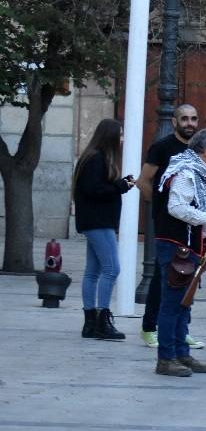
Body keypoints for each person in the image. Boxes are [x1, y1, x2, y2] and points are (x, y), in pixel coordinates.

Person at [136, 103, 206, 349]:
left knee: (183, 290)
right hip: (172, 231)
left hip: (190, 233)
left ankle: (180, 343)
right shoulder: (168, 152)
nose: (189, 123)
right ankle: (159, 339)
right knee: (166, 283)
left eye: (194, 118)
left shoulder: (199, 162)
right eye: (185, 118)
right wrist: (162, 207)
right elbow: (144, 182)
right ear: (174, 122)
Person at [154, 128, 206, 377]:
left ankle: (181, 352)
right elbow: (176, 207)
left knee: (183, 304)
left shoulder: (193, 172)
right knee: (173, 303)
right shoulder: (186, 173)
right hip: (177, 246)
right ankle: (166, 358)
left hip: (188, 246)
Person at [72, 118, 135, 341]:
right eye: (119, 134)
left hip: (94, 222)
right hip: (98, 223)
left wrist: (120, 183)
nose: (122, 139)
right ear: (109, 136)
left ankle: (90, 323)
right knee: (112, 269)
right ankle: (102, 321)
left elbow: (96, 187)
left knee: (93, 272)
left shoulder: (93, 158)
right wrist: (120, 186)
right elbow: (93, 190)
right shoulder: (96, 159)